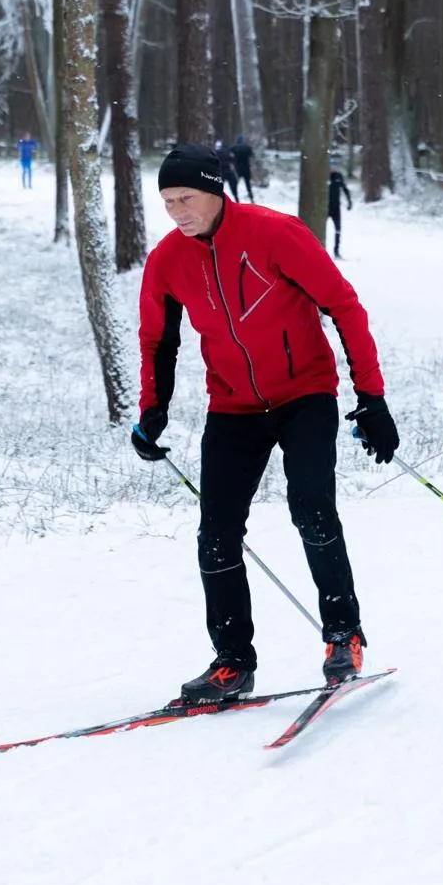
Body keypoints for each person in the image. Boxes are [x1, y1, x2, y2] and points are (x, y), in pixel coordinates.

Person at [132, 142, 400, 704]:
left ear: (214, 191)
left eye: (185, 198)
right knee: (216, 532)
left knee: (310, 505)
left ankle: (342, 635)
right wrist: (151, 410)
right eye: (167, 201)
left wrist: (371, 398)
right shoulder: (166, 261)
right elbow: (159, 339)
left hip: (305, 393)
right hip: (232, 406)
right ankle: (232, 661)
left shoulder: (275, 234)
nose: (176, 211)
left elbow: (343, 305)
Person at [327, 165, 352, 258]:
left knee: (338, 229)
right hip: (324, 208)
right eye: (330, 167)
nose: (331, 168)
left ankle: (336, 251)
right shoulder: (324, 176)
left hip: (336, 208)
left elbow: (345, 189)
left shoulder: (338, 176)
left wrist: (349, 201)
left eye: (333, 167)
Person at [230, 134, 256, 203]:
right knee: (248, 184)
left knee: (235, 184)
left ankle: (236, 198)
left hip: (238, 169)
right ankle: (251, 198)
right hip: (246, 169)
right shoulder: (247, 148)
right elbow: (252, 155)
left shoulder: (234, 148)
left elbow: (229, 154)